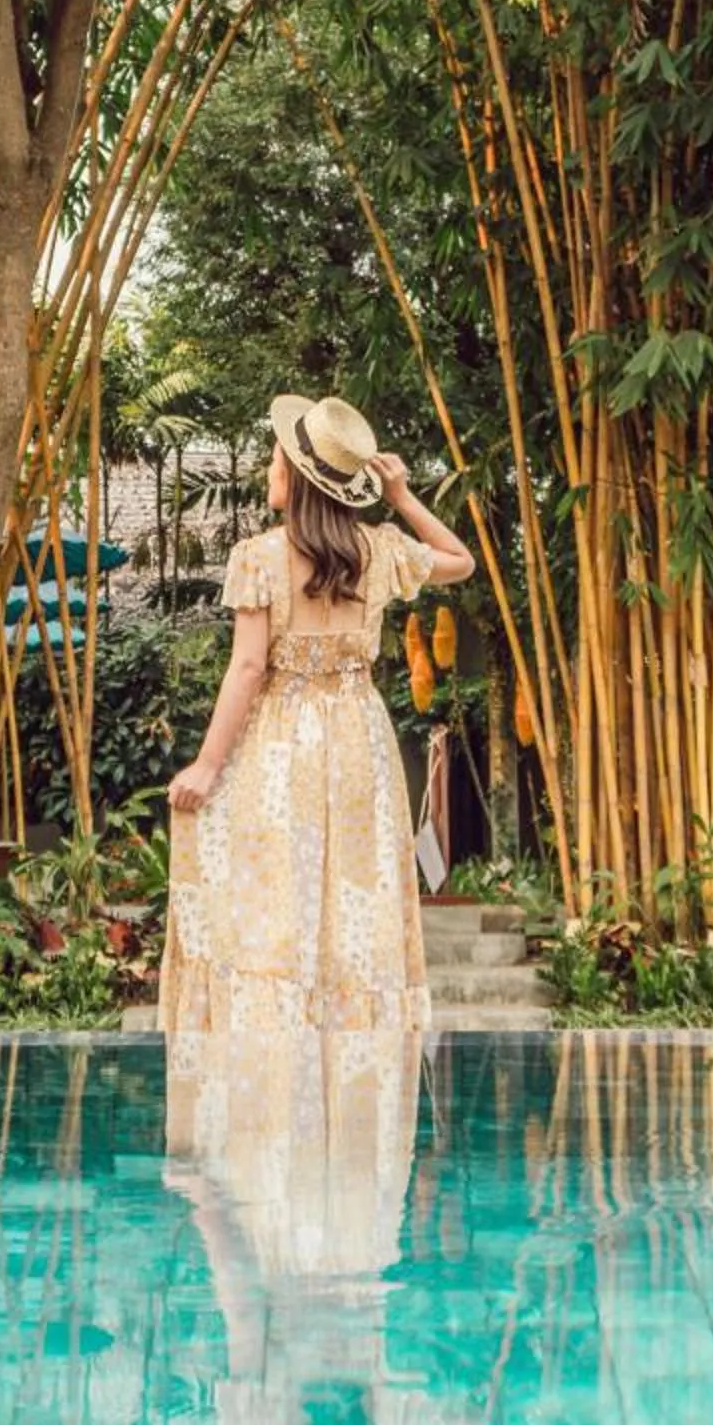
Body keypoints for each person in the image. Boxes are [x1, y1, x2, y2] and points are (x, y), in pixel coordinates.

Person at [157, 392, 475, 1032]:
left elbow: (247, 668)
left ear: (297, 478)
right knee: (350, 902)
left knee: (281, 899)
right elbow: (461, 562)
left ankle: (279, 1064)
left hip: (280, 747)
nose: (268, 468)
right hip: (360, 741)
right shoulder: (380, 550)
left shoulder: (260, 557)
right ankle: (351, 1071)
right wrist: (404, 499)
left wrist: (207, 765)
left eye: (276, 460)